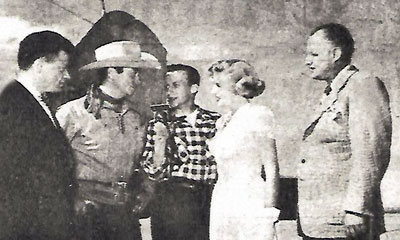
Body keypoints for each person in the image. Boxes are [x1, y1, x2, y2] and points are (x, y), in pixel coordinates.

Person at [56, 40, 160, 240]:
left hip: (123, 215)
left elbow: (138, 163)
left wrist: (146, 186)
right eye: (133, 73)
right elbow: (49, 163)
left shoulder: (136, 117)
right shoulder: (73, 113)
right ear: (112, 72)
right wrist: (72, 200)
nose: (138, 80)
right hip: (86, 216)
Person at [298, 23, 392, 240]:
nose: (307, 61)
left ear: (336, 54)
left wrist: (356, 209)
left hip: (347, 221)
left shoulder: (362, 85)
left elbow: (371, 153)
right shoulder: (333, 91)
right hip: (321, 220)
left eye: (314, 54)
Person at [0, 31, 75, 239]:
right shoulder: (15, 106)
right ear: (40, 65)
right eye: (61, 69)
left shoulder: (32, 102)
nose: (67, 76)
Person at [141, 64, 220, 240]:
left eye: (176, 85)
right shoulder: (158, 124)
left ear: (194, 88)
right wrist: (161, 140)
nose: (169, 92)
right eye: (166, 87)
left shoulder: (215, 121)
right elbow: (154, 173)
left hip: (210, 199)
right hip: (173, 201)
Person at [207, 59, 280, 240]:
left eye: (218, 85)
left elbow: (271, 169)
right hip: (222, 199)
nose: (213, 92)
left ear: (238, 87)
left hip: (249, 199)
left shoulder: (258, 114)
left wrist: (268, 215)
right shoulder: (224, 121)